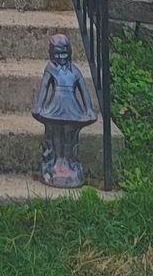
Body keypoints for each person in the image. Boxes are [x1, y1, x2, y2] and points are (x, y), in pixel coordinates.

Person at [32, 32, 98, 188]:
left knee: (70, 134)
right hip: (55, 106)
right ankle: (56, 163)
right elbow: (44, 88)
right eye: (57, 53)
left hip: (71, 107)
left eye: (64, 53)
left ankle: (69, 163)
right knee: (55, 133)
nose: (61, 56)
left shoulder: (75, 71)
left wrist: (89, 109)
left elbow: (84, 92)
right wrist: (39, 106)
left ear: (69, 52)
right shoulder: (51, 69)